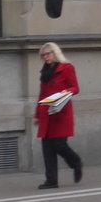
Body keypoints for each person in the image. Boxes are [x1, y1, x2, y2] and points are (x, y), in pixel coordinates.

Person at [34, 42, 83, 189]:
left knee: (59, 145)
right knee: (47, 147)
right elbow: (41, 95)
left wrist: (66, 92)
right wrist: (37, 115)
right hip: (47, 113)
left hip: (61, 112)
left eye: (48, 54)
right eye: (43, 55)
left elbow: (75, 88)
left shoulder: (67, 68)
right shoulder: (44, 72)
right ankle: (51, 180)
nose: (46, 57)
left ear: (55, 53)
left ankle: (76, 163)